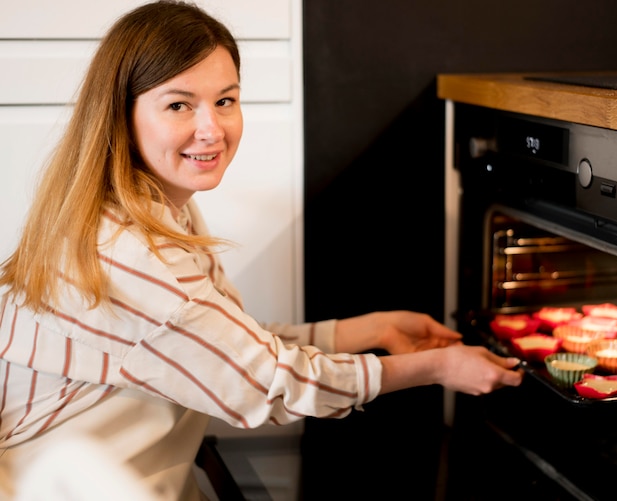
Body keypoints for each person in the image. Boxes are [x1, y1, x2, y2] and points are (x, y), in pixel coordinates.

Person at [0, 1, 523, 499]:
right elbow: (266, 384)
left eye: (225, 100)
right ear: (121, 114)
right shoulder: (124, 253)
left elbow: (221, 347)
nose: (213, 129)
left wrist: (372, 331)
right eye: (180, 104)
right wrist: (436, 370)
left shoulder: (154, 211)